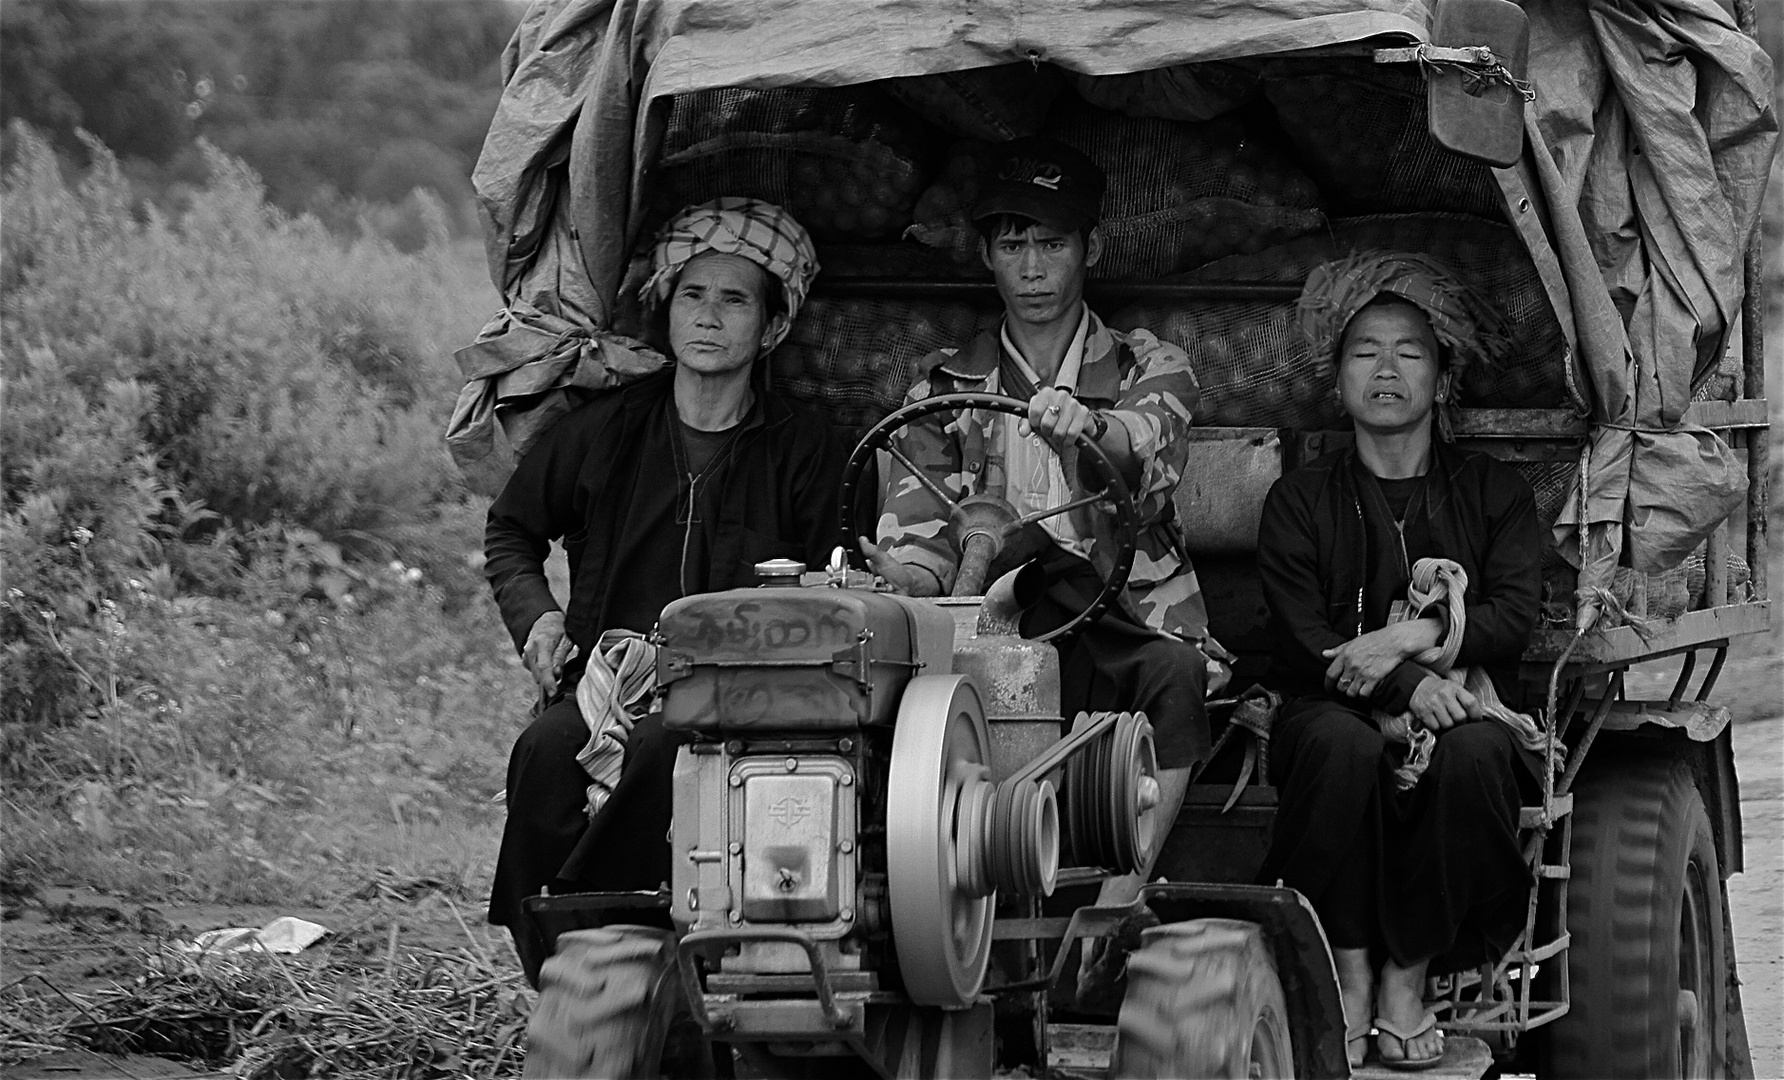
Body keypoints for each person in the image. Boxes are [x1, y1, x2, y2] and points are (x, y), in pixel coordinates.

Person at [482, 197, 845, 984]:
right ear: (666, 309)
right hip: (605, 683)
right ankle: (554, 970)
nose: (708, 317)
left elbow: (839, 592)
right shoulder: (604, 431)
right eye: (692, 294)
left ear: (772, 327)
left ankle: (627, 953)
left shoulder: (809, 451)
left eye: (734, 298)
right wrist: (538, 622)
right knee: (543, 754)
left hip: (745, 699)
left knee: (662, 750)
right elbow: (511, 531)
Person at [859, 137, 1225, 904]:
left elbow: (1143, 459)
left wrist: (1089, 435)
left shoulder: (1148, 367)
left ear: (1087, 249)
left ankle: (1117, 904)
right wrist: (899, 574)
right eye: (1012, 244)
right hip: (988, 625)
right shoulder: (943, 388)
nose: (1031, 267)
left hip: (1119, 618)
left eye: (1051, 244)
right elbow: (921, 543)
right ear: (987, 256)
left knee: (1178, 676)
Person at [1254, 252, 1543, 1069]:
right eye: (1364, 351)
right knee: (1335, 747)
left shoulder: (1494, 492)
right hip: (1330, 705)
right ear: (1338, 377)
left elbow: (1513, 617)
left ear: (1443, 379)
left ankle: (1407, 981)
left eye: (1410, 351)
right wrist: (1411, 684)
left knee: (1478, 756)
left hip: (1466, 709)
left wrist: (1415, 636)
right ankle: (1348, 973)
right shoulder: (1300, 501)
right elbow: (1302, 638)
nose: (1386, 369)